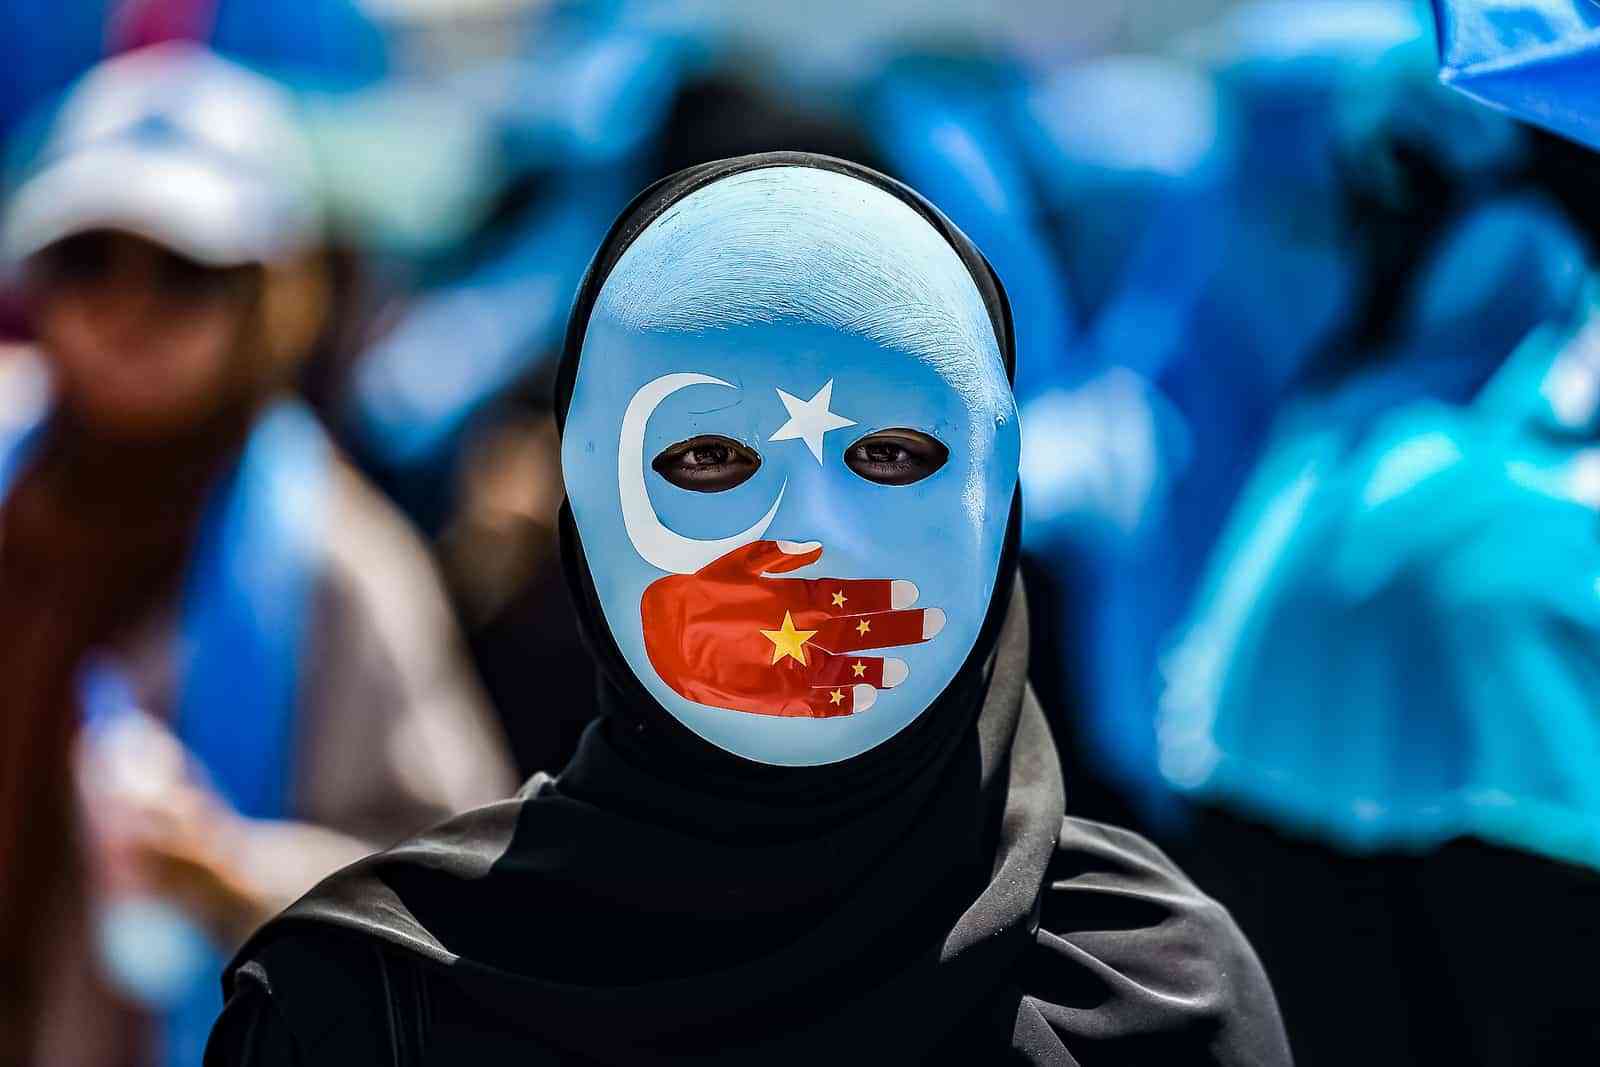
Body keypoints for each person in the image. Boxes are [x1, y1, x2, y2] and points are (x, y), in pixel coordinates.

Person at [205, 154, 1290, 1066]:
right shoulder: (363, 1007)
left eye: (891, 452)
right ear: (584, 498)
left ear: (1000, 490)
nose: (805, 533)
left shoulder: (1154, 992)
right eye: (708, 456)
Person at [0, 44, 514, 1067]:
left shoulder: (336, 564)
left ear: (269, 302)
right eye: (88, 257)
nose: (128, 307)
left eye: (185, 273)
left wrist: (229, 869)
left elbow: (468, 903)